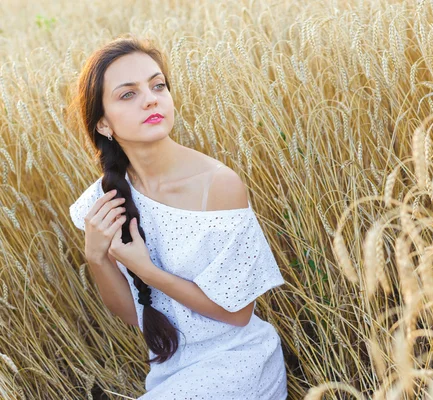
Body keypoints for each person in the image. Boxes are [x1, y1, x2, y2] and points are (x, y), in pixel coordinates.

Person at [67, 35, 288, 399]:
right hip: (170, 373)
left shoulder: (218, 185)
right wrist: (96, 258)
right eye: (128, 94)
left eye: (158, 86)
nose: (151, 98)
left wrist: (149, 271)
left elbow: (237, 315)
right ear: (104, 124)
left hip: (238, 363)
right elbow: (135, 314)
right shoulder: (106, 199)